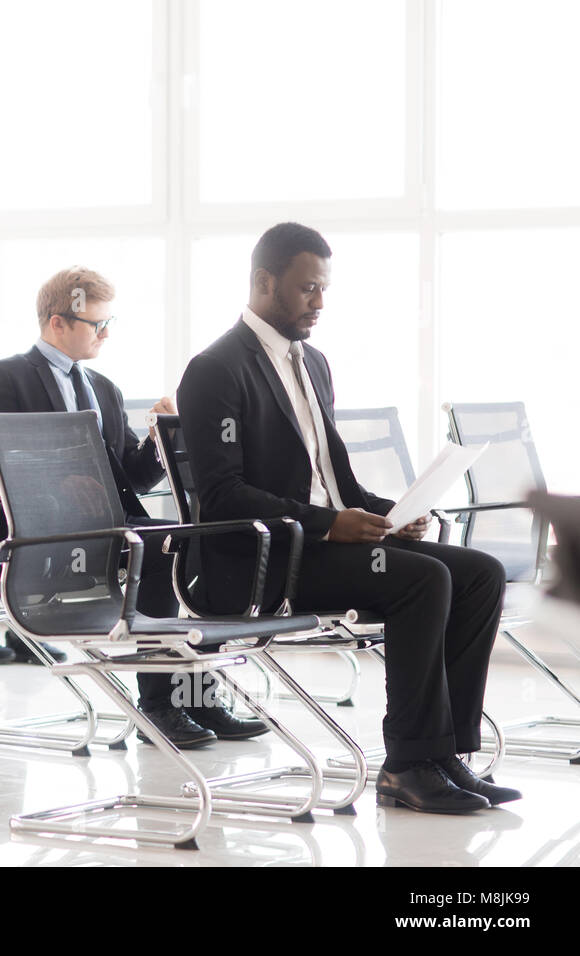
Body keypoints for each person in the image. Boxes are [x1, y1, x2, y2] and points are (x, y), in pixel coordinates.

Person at [176, 222, 518, 812]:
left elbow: (338, 483)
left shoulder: (315, 364)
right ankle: (408, 764)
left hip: (331, 543)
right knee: (425, 579)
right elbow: (222, 496)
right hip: (270, 559)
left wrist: (392, 515)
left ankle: (445, 755)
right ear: (264, 282)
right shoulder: (215, 369)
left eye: (324, 289)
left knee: (480, 573)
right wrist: (329, 525)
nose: (321, 303)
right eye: (308, 289)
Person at [0, 266, 267, 747]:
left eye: (111, 323)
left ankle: (199, 696)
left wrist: (159, 436)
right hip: (44, 532)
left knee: (203, 542)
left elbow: (131, 478)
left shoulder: (103, 388)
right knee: (160, 550)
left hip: (110, 525)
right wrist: (60, 485)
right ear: (57, 322)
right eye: (96, 324)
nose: (106, 334)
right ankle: (157, 707)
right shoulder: (7, 376)